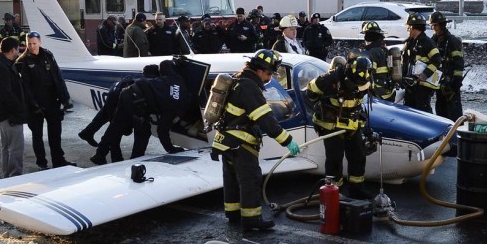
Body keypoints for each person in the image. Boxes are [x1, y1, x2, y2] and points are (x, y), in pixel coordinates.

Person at [211, 49, 300, 231]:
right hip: (241, 142)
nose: (269, 78)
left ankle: (233, 213)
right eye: (268, 73)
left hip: (226, 141)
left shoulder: (238, 79)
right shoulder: (249, 87)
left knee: (232, 179)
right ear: (259, 70)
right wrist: (287, 140)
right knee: (250, 179)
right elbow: (265, 119)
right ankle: (251, 220)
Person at [90, 60, 193, 164]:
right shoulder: (175, 108)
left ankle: (99, 154)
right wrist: (171, 149)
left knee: (115, 126)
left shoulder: (177, 79)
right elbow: (162, 131)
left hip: (127, 91)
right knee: (144, 131)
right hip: (137, 101)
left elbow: (164, 64)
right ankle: (135, 159)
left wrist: (177, 63)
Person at [307, 56, 373, 199]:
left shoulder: (365, 78)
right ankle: (334, 192)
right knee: (334, 159)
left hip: (353, 125)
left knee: (358, 157)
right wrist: (323, 105)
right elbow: (310, 91)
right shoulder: (330, 79)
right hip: (331, 126)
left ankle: (357, 190)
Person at [17, 32, 74, 169]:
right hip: (35, 103)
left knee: (55, 133)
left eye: (34, 43)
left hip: (52, 100)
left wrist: (65, 98)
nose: (32, 47)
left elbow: (57, 78)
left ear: (40, 42)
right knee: (37, 136)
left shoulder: (48, 55)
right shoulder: (23, 61)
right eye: (29, 44)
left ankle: (58, 160)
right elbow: (25, 87)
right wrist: (33, 105)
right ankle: (42, 163)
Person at [0, 36, 27, 177]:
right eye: (17, 50)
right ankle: (14, 176)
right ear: (12, 50)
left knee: (6, 148)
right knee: (16, 148)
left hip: (4, 114)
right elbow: (7, 94)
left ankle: (7, 175)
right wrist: (20, 109)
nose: (18, 53)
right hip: (10, 115)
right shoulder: (2, 67)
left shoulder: (1, 63)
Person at [400, 14, 442, 113]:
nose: (408, 30)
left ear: (413, 28)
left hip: (423, 87)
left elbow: (437, 60)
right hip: (411, 85)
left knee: (423, 111)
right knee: (409, 111)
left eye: (408, 28)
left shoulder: (427, 43)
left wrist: (425, 74)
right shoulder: (410, 43)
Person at [429, 11, 464, 120]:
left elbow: (459, 64)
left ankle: (455, 134)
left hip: (451, 85)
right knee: (440, 112)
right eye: (432, 26)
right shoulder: (432, 41)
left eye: (435, 25)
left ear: (442, 25)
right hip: (438, 82)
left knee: (454, 113)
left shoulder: (453, 41)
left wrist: (455, 83)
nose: (433, 28)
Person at [360, 21, 394, 101]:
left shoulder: (373, 52)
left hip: (378, 93)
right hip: (388, 92)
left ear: (368, 37)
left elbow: (370, 73)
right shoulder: (384, 49)